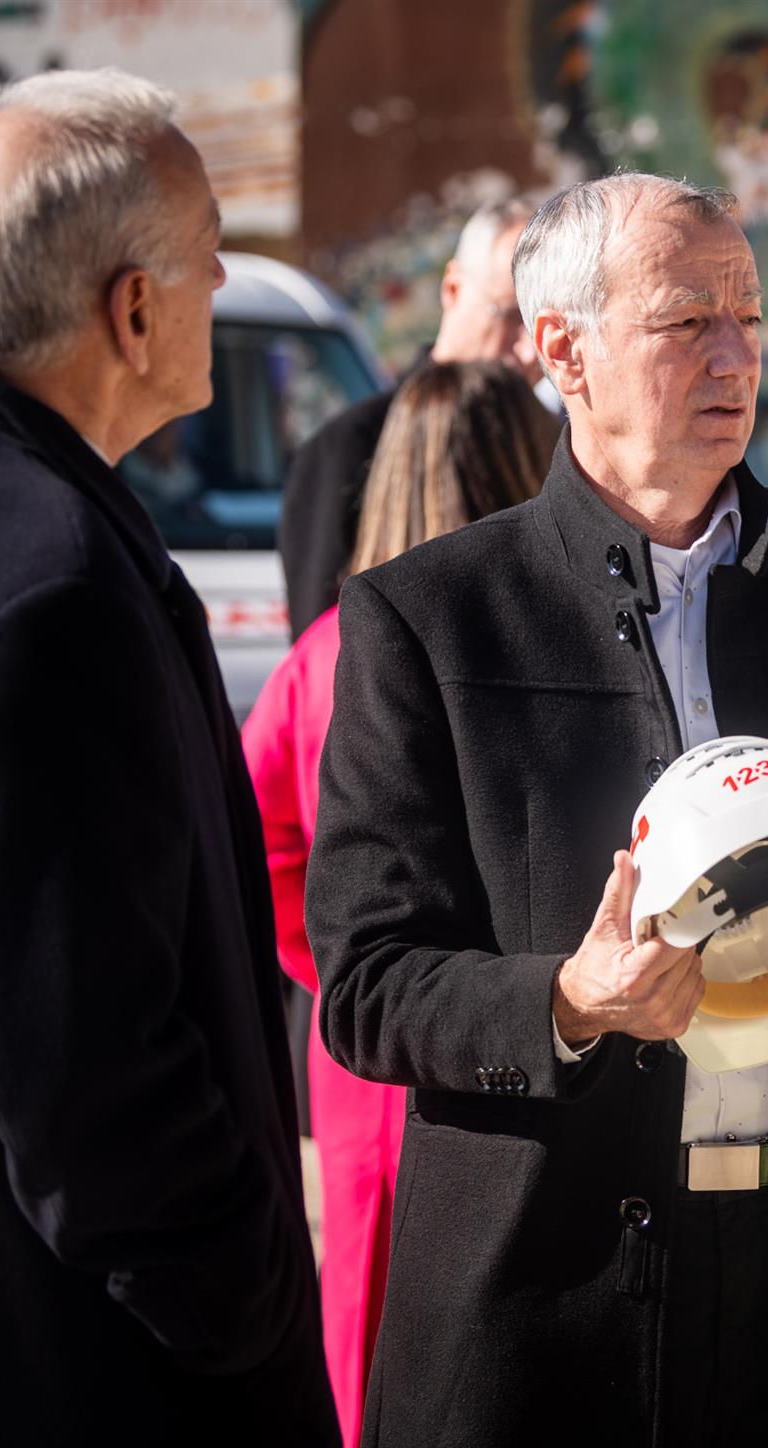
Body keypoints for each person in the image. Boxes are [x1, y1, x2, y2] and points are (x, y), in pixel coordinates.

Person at [305, 173, 768, 1445]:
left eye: (749, 316)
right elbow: (367, 982)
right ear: (562, 348)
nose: (737, 357)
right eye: (689, 320)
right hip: (548, 1292)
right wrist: (570, 1000)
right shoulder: (430, 615)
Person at [0, 70, 335, 1442]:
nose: (223, 277)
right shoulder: (49, 585)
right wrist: (249, 1317)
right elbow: (94, 1092)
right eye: (210, 249)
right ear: (134, 309)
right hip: (77, 1373)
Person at [243, 361, 555, 1445]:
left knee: (373, 1344)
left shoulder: (320, 654)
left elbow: (258, 841)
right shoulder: (532, 645)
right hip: (518, 1040)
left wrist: (338, 960)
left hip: (366, 1060)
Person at [277, 196, 542, 637]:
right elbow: (319, 648)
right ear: (453, 289)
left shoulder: (561, 443)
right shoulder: (349, 446)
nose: (532, 349)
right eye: (513, 316)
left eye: (546, 323)